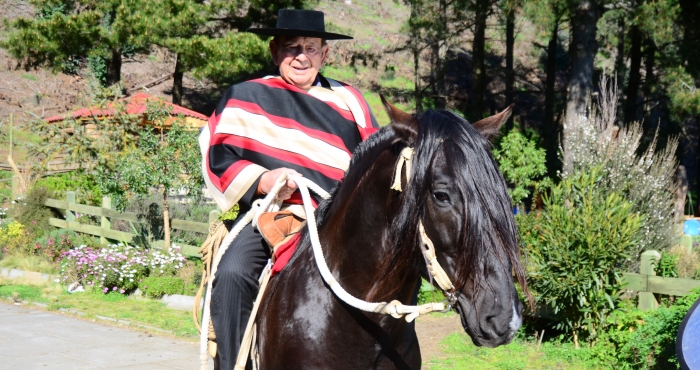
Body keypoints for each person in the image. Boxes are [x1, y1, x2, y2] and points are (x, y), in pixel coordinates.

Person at [198, 9, 380, 369]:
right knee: (233, 274)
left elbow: (375, 161)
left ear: (324, 54)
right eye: (291, 47)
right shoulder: (246, 97)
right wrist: (264, 180)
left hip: (338, 221)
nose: (301, 56)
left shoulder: (351, 102)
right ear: (274, 51)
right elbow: (217, 152)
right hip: (270, 215)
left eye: (311, 47)